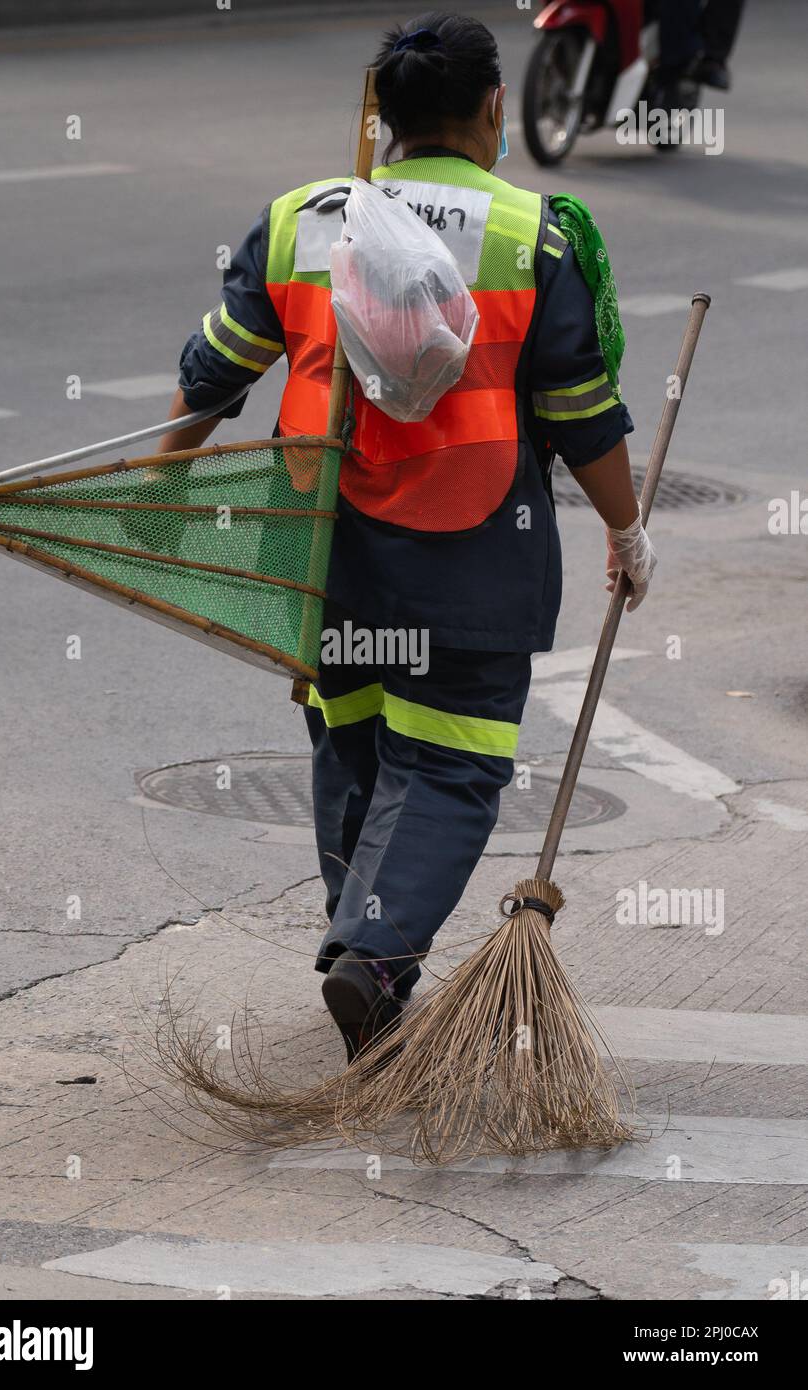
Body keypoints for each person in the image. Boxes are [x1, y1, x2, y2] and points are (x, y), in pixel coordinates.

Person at [158, 12, 655, 1063]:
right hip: (464, 547)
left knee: (355, 738)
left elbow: (216, 369)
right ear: (492, 110)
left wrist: (158, 476)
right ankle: (374, 955)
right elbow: (577, 409)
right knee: (450, 762)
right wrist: (626, 529)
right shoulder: (535, 232)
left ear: (377, 117)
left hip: (320, 545)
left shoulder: (301, 216)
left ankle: (357, 939)